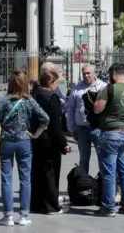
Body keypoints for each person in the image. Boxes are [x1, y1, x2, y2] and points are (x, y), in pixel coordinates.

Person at [0, 70, 49, 227]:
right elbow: (45, 118)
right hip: (24, 141)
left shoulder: (2, 100)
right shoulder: (29, 101)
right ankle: (23, 215)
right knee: (25, 178)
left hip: (6, 141)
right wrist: (36, 134)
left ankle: (8, 216)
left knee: (6, 178)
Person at [91, 63, 124, 217]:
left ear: (114, 74)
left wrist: (97, 99)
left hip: (111, 135)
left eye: (110, 75)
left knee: (109, 173)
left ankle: (108, 207)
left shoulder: (109, 89)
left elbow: (97, 108)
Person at [30, 62, 70, 215]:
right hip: (49, 141)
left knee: (38, 172)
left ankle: (37, 204)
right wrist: (64, 143)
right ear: (51, 82)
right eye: (56, 83)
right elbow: (55, 124)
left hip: (37, 138)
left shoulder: (36, 94)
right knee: (51, 173)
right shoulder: (51, 97)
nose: (57, 86)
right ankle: (52, 206)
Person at [64, 63, 105, 174]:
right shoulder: (77, 88)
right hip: (82, 128)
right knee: (83, 159)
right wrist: (71, 128)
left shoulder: (103, 87)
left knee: (102, 159)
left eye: (88, 73)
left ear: (94, 73)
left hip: (98, 129)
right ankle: (84, 182)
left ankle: (102, 182)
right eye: (84, 74)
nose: (86, 76)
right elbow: (70, 109)